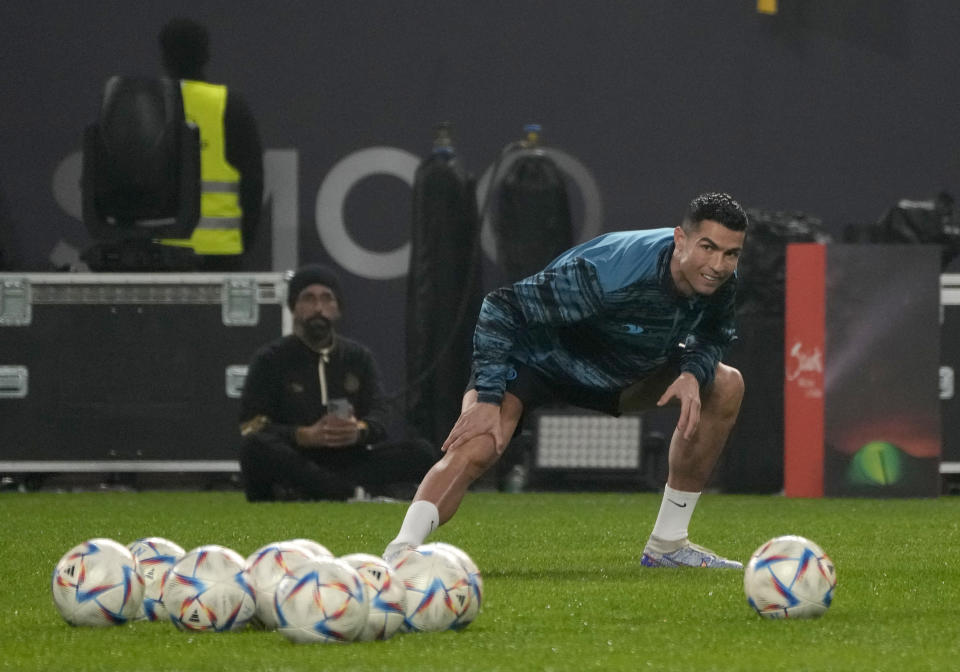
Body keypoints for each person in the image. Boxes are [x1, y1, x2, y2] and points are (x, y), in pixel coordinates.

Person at [384, 192, 748, 569]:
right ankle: (401, 552)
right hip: (538, 359)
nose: (718, 265)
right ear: (680, 239)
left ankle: (668, 546)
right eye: (708, 248)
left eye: (730, 253)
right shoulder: (606, 274)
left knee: (725, 384)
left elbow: (715, 334)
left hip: (620, 371)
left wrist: (692, 372)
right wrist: (489, 399)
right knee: (479, 445)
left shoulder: (722, 279)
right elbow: (501, 306)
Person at [239, 264, 437, 502]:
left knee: (422, 452)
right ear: (294, 307)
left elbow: (380, 413)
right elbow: (251, 425)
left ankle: (320, 492)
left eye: (326, 299)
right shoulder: (270, 359)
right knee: (255, 448)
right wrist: (302, 435)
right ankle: (349, 493)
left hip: (348, 459)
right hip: (296, 459)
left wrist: (359, 431)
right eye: (309, 299)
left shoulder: (357, 357)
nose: (318, 308)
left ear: (338, 308)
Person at [155, 17, 263, 269]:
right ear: (207, 55)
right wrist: (242, 244)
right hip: (219, 253)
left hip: (159, 253)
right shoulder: (230, 106)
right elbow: (253, 184)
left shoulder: (147, 107)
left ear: (163, 56)